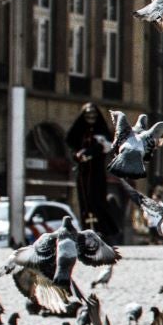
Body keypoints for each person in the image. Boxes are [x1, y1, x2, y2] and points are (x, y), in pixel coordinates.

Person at [64, 102, 118, 244]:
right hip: (82, 173)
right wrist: (77, 155)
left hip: (97, 173)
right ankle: (86, 232)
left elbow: (104, 147)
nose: (91, 117)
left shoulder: (101, 132)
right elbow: (71, 145)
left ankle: (102, 233)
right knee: (85, 203)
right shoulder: (79, 132)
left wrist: (89, 153)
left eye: (93, 114)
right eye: (88, 114)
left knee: (97, 201)